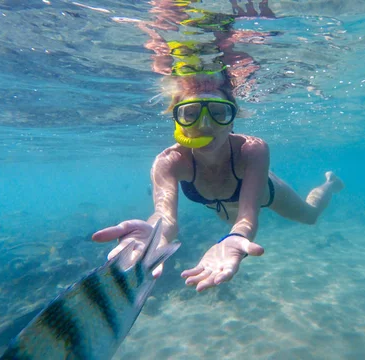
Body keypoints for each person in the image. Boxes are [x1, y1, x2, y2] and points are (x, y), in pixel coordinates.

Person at [92, 1, 344, 293]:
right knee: (227, 216)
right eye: (190, 113)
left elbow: (248, 215)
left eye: (219, 112)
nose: (206, 124)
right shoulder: (169, 162)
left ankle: (329, 184)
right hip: (220, 205)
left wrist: (233, 237)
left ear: (232, 119)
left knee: (310, 217)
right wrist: (154, 236)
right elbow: (165, 219)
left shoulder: (253, 150)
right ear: (178, 121)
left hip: (265, 194)